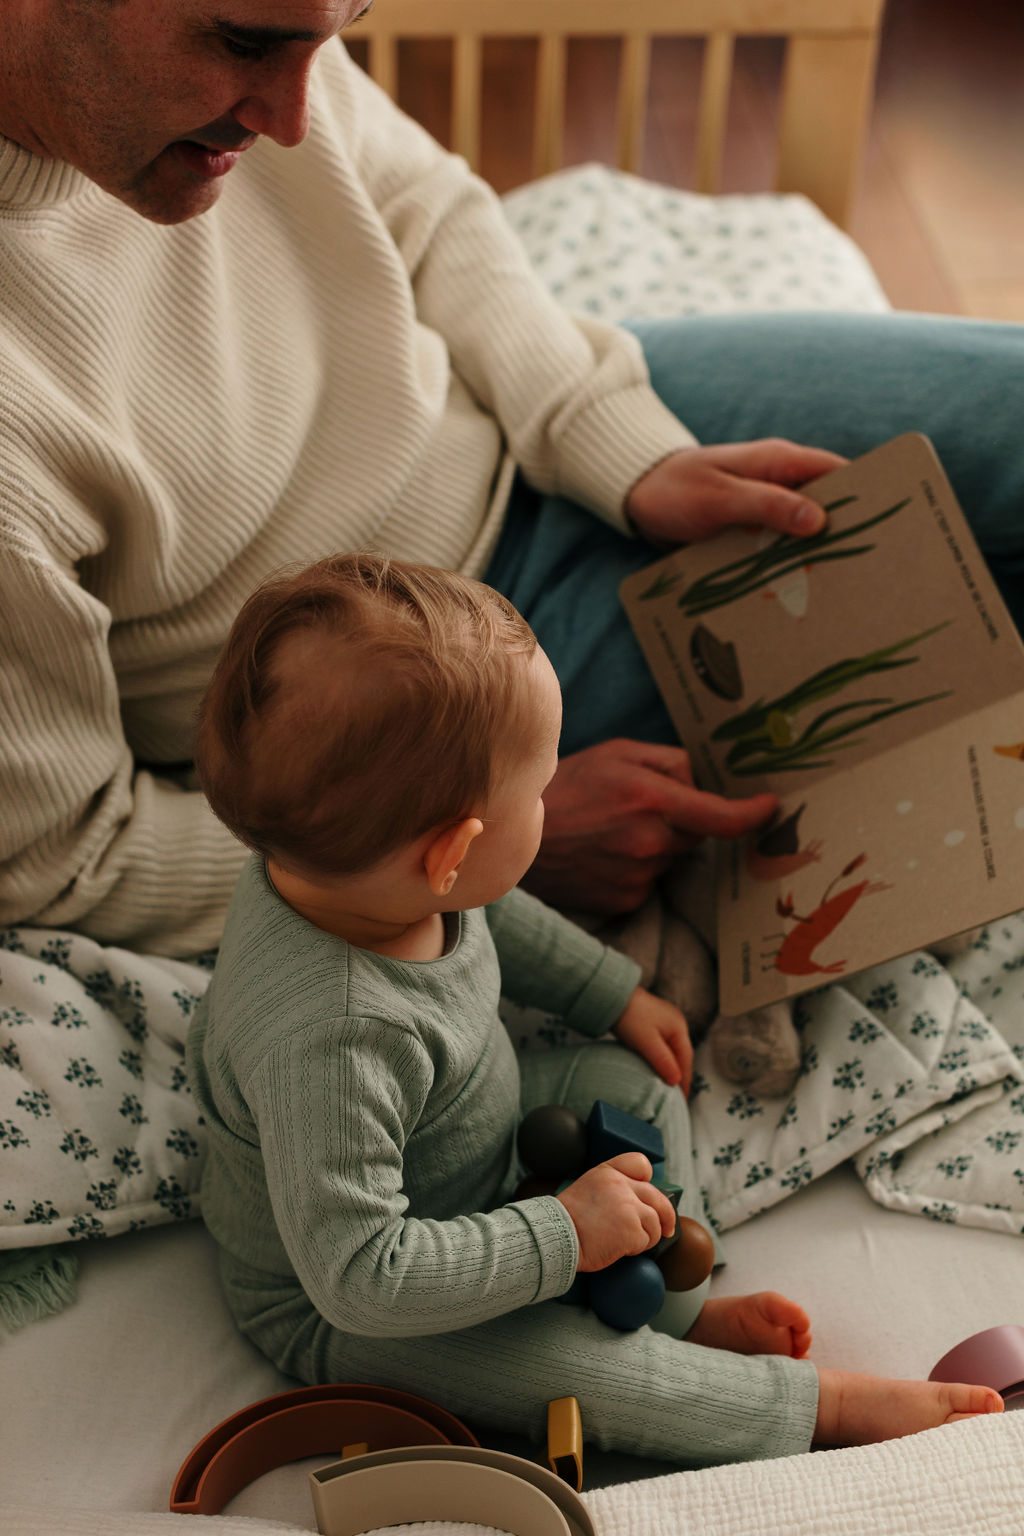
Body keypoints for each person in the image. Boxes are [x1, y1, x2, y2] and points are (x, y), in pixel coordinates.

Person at [5, 2, 1022, 963]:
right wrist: (452, 856)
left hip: (541, 440)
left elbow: (419, 202)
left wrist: (613, 438)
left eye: (338, 37)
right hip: (419, 714)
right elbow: (62, 854)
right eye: (243, 42)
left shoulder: (269, 62)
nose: (296, 122)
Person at [186, 551, 1001, 1466]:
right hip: (350, 1300)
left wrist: (611, 995)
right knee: (581, 1371)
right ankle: (823, 1408)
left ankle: (674, 1302)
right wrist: (564, 1232)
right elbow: (361, 1276)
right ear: (450, 853)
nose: (554, 794)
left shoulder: (341, 868)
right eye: (540, 791)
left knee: (633, 1083)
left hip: (470, 1144)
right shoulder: (333, 1041)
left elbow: (494, 908)